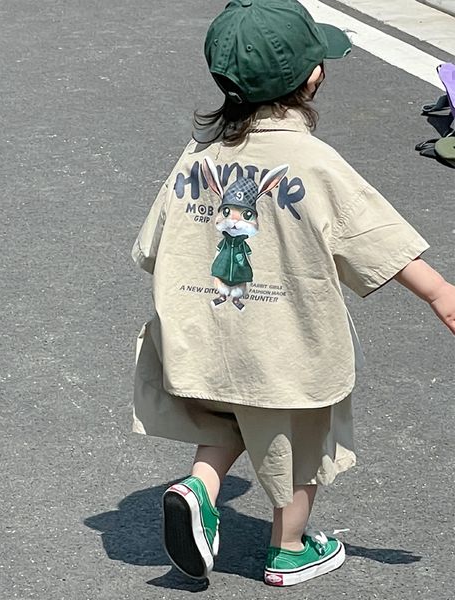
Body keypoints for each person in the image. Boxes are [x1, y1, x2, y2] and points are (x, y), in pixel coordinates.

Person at [130, 0, 455, 588]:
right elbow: (374, 237)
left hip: (205, 333)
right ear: (312, 78)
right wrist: (440, 295)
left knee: (227, 415)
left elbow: (154, 245)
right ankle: (289, 547)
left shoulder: (198, 155)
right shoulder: (314, 162)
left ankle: (198, 489)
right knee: (296, 441)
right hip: (282, 341)